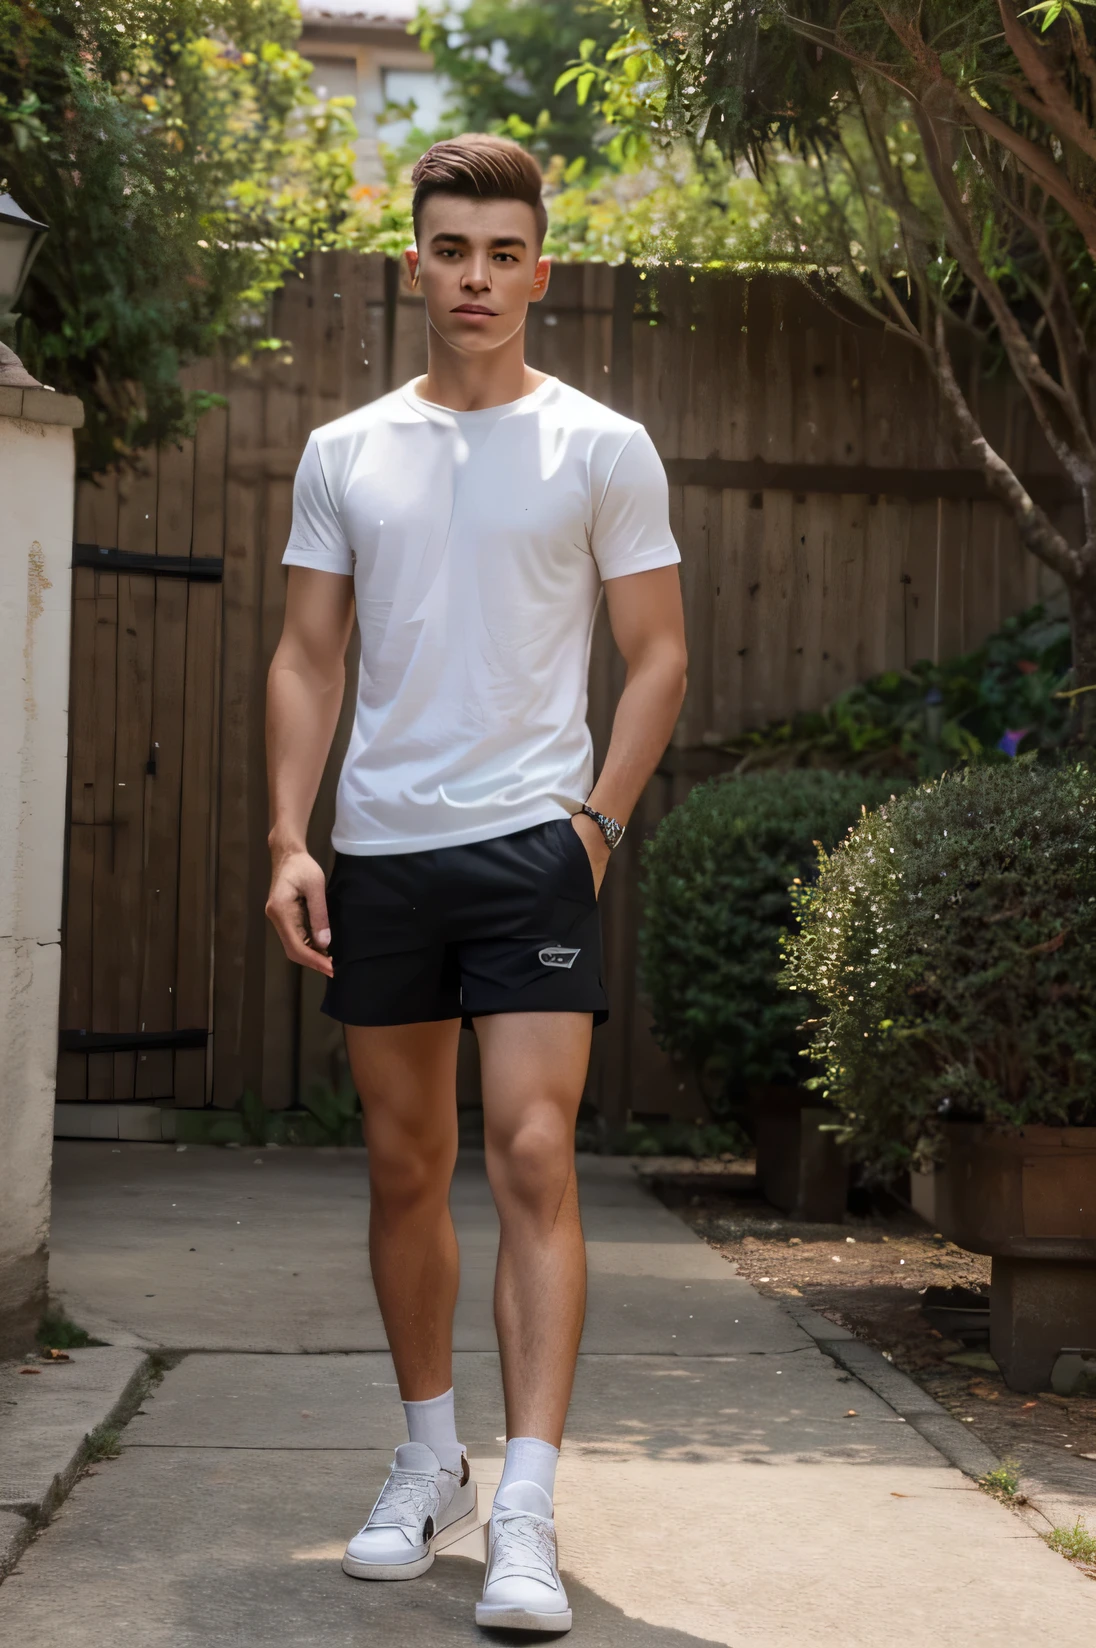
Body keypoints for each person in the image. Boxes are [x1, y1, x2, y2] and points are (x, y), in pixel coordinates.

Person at [264, 132, 687, 1635]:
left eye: (505, 253)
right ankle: (427, 1456)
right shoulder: (346, 450)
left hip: (533, 851)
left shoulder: (600, 446)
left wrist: (594, 826)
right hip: (379, 852)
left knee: (529, 1155)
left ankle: (525, 1504)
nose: (478, 277)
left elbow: (658, 657)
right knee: (400, 1167)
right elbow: (311, 655)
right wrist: (289, 837)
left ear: (540, 271)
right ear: (415, 262)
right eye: (453, 249)